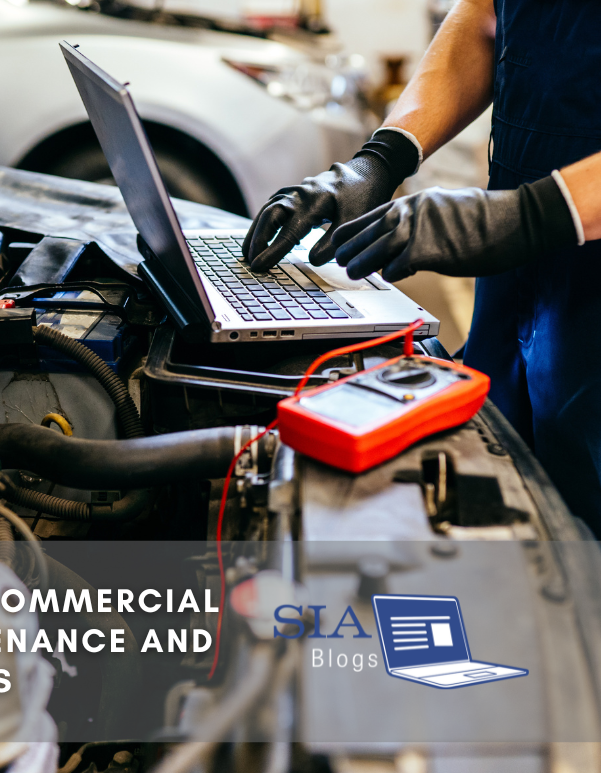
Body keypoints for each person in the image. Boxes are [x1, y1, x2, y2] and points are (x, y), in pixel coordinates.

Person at [242, 0, 601, 531]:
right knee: (506, 491)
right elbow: (487, 18)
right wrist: (382, 158)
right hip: (515, 270)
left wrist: (531, 215)